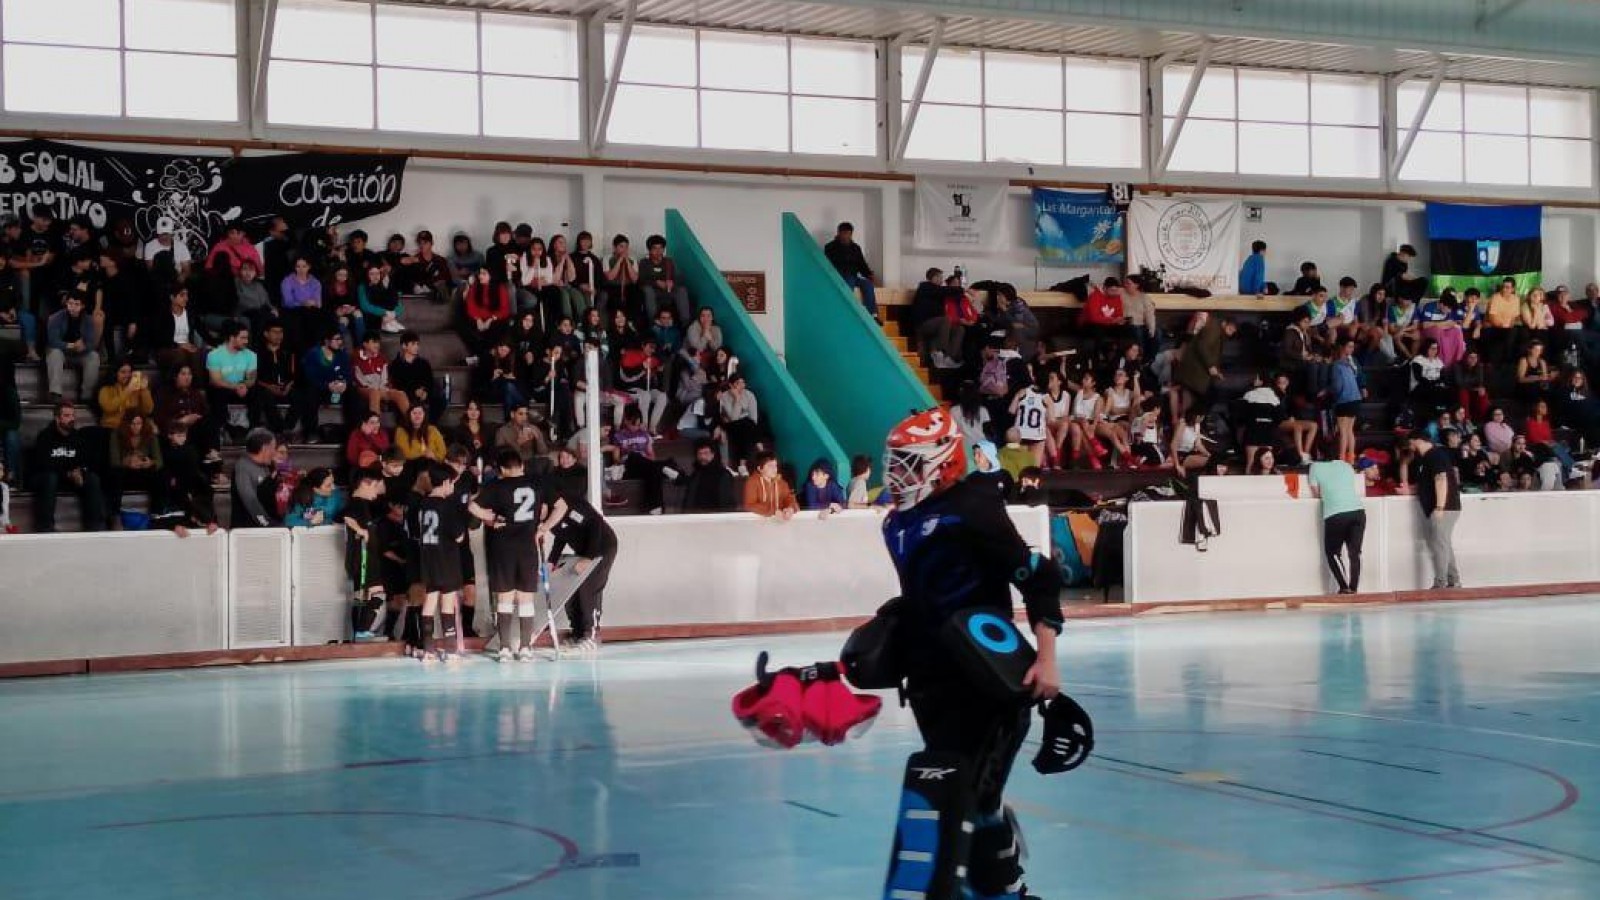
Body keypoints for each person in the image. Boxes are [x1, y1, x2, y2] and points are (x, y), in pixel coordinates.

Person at [866, 408, 1062, 900]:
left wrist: (1047, 656)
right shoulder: (897, 521)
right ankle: (999, 878)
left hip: (987, 684)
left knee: (969, 804)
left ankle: (1006, 890)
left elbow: (1038, 576)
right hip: (931, 686)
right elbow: (923, 598)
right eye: (896, 461)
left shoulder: (973, 507)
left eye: (908, 462)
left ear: (943, 463)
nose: (896, 473)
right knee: (958, 801)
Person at [469, 448, 545, 662]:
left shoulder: (496, 486)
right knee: (526, 599)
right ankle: (526, 648)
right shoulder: (536, 484)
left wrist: (490, 519)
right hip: (528, 547)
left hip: (503, 548)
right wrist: (542, 526)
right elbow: (551, 506)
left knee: (505, 598)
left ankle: (504, 648)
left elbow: (472, 506)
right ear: (521, 465)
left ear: (501, 469)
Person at [538, 485, 618, 654]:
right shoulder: (551, 517)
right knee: (572, 589)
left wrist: (589, 558)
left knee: (588, 589)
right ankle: (578, 633)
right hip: (582, 551)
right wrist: (552, 561)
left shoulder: (572, 504)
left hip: (602, 547)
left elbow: (596, 524)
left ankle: (591, 635)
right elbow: (561, 536)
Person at [415, 461, 469, 662]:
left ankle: (428, 649)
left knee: (429, 601)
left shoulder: (424, 503)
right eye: (453, 483)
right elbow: (458, 536)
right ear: (446, 483)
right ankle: (450, 650)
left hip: (428, 558)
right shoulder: (448, 505)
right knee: (447, 603)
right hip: (447, 558)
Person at [31, 402, 105, 533]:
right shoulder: (45, 436)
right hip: (49, 478)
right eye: (66, 415)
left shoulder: (78, 437)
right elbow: (44, 464)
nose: (71, 419)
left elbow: (87, 461)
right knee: (50, 478)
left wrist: (80, 471)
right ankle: (45, 527)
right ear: (57, 418)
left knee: (92, 479)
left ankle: (95, 526)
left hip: (72, 478)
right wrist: (68, 473)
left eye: (73, 415)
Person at [1409, 432, 1462, 590]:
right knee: (1444, 544)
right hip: (1444, 506)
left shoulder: (1435, 455)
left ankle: (1441, 582)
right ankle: (1453, 580)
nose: (1411, 448)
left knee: (1440, 544)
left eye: (1412, 443)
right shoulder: (1427, 458)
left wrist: (1439, 506)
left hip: (1444, 507)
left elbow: (1441, 479)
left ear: (1418, 440)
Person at [341, 469, 389, 640]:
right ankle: (362, 631)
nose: (377, 491)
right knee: (376, 594)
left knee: (363, 596)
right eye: (375, 486)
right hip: (363, 558)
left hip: (368, 557)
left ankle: (359, 632)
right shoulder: (357, 503)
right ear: (364, 484)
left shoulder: (365, 505)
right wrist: (361, 530)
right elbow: (347, 517)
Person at [1307, 458, 1365, 595]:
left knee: (1332, 552)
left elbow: (1316, 494)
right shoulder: (1347, 465)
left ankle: (1345, 587)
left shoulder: (1315, 467)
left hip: (1335, 513)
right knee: (1355, 552)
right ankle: (1354, 588)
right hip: (1358, 511)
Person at [44, 292, 100, 402]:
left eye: (76, 304)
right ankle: (56, 393)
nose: (72, 307)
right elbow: (53, 341)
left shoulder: (88, 320)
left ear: (82, 306)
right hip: (62, 352)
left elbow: (91, 343)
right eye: (70, 304)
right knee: (54, 353)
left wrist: (83, 346)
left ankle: (87, 395)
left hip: (79, 354)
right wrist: (70, 345)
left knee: (93, 356)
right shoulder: (57, 317)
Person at [824, 222, 877, 316]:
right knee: (849, 280)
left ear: (851, 234)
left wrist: (869, 274)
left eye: (848, 234)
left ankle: (872, 314)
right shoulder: (830, 247)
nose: (845, 236)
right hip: (839, 276)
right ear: (839, 233)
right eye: (843, 233)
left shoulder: (856, 248)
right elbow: (827, 266)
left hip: (854, 276)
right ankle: (849, 312)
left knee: (868, 285)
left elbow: (862, 264)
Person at [638, 234, 691, 326]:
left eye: (661, 248)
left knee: (682, 290)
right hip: (653, 292)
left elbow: (680, 278)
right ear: (649, 250)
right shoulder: (644, 263)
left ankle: (685, 323)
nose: (658, 251)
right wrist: (656, 283)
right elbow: (641, 280)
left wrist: (672, 282)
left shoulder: (669, 262)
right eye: (655, 248)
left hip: (669, 291)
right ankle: (653, 323)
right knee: (648, 290)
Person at [231, 429, 279, 528]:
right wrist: (267, 524)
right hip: (248, 531)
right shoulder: (243, 467)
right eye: (273, 448)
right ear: (265, 448)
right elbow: (250, 500)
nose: (274, 453)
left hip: (266, 528)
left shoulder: (266, 466)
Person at [680, 439, 737, 513]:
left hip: (716, 518)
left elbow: (727, 502)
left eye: (706, 453)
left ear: (713, 454)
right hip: (695, 518)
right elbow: (688, 501)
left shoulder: (723, 474)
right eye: (700, 454)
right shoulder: (695, 475)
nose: (702, 457)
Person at [743, 450, 797, 519]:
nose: (774, 469)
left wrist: (790, 508)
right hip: (759, 524)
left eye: (775, 465)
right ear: (760, 468)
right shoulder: (752, 482)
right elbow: (749, 505)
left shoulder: (782, 483)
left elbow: (790, 499)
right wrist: (773, 511)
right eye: (770, 466)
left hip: (779, 522)